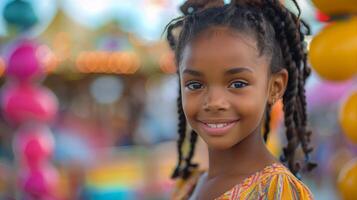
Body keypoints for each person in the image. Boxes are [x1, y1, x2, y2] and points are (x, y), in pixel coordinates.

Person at [164, 0, 317, 199]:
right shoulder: (189, 185)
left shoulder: (278, 191)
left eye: (237, 84)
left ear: (275, 86)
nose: (214, 102)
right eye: (195, 85)